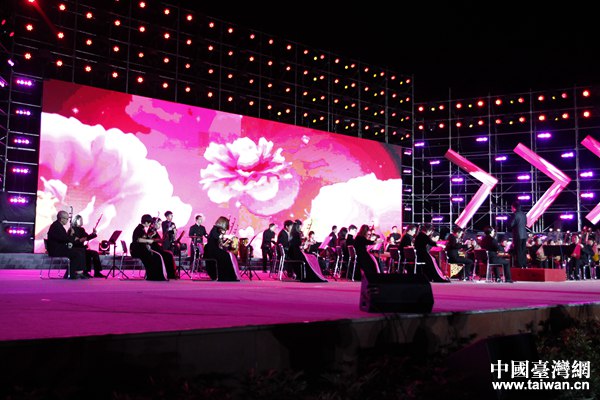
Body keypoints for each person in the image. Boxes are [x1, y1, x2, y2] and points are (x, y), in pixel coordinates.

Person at [46, 210, 87, 279]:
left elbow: (63, 238)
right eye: (67, 219)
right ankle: (71, 274)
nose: (68, 221)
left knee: (80, 251)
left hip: (59, 248)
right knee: (77, 254)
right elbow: (64, 239)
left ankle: (78, 272)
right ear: (62, 219)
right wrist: (72, 236)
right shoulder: (56, 226)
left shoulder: (57, 225)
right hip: (56, 250)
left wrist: (71, 237)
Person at [130, 214, 168, 281]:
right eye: (149, 223)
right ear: (146, 222)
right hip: (138, 250)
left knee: (157, 256)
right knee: (156, 257)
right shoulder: (139, 229)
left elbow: (143, 237)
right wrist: (148, 240)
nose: (150, 224)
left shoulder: (141, 228)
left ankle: (154, 276)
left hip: (141, 249)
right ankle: (154, 276)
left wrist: (150, 236)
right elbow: (138, 239)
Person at [203, 216, 240, 281]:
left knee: (226, 255)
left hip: (213, 249)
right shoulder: (215, 228)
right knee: (226, 256)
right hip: (211, 250)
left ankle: (226, 276)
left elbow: (219, 240)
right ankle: (225, 276)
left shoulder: (216, 229)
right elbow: (217, 236)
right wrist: (226, 236)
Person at [510, 201, 528, 268]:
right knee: (523, 250)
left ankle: (520, 265)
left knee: (518, 250)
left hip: (518, 234)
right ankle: (524, 264)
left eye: (511, 207)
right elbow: (525, 223)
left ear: (514, 208)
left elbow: (511, 224)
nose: (511, 209)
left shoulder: (515, 214)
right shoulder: (523, 214)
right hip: (524, 234)